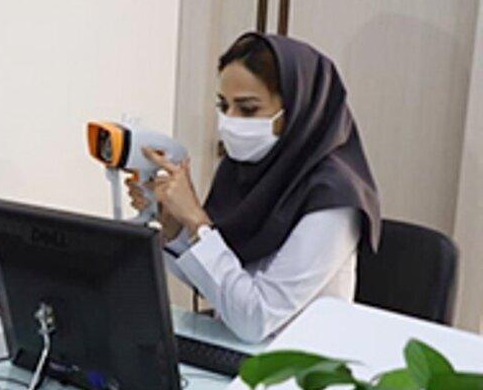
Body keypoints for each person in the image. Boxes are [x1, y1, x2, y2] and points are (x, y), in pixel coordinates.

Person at [130, 32, 381, 343]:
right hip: (236, 348)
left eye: (248, 109)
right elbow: (220, 287)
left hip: (299, 364)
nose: (229, 121)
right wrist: (175, 228)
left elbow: (256, 317)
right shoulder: (246, 169)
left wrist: (196, 221)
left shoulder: (335, 199)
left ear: (298, 108)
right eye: (224, 105)